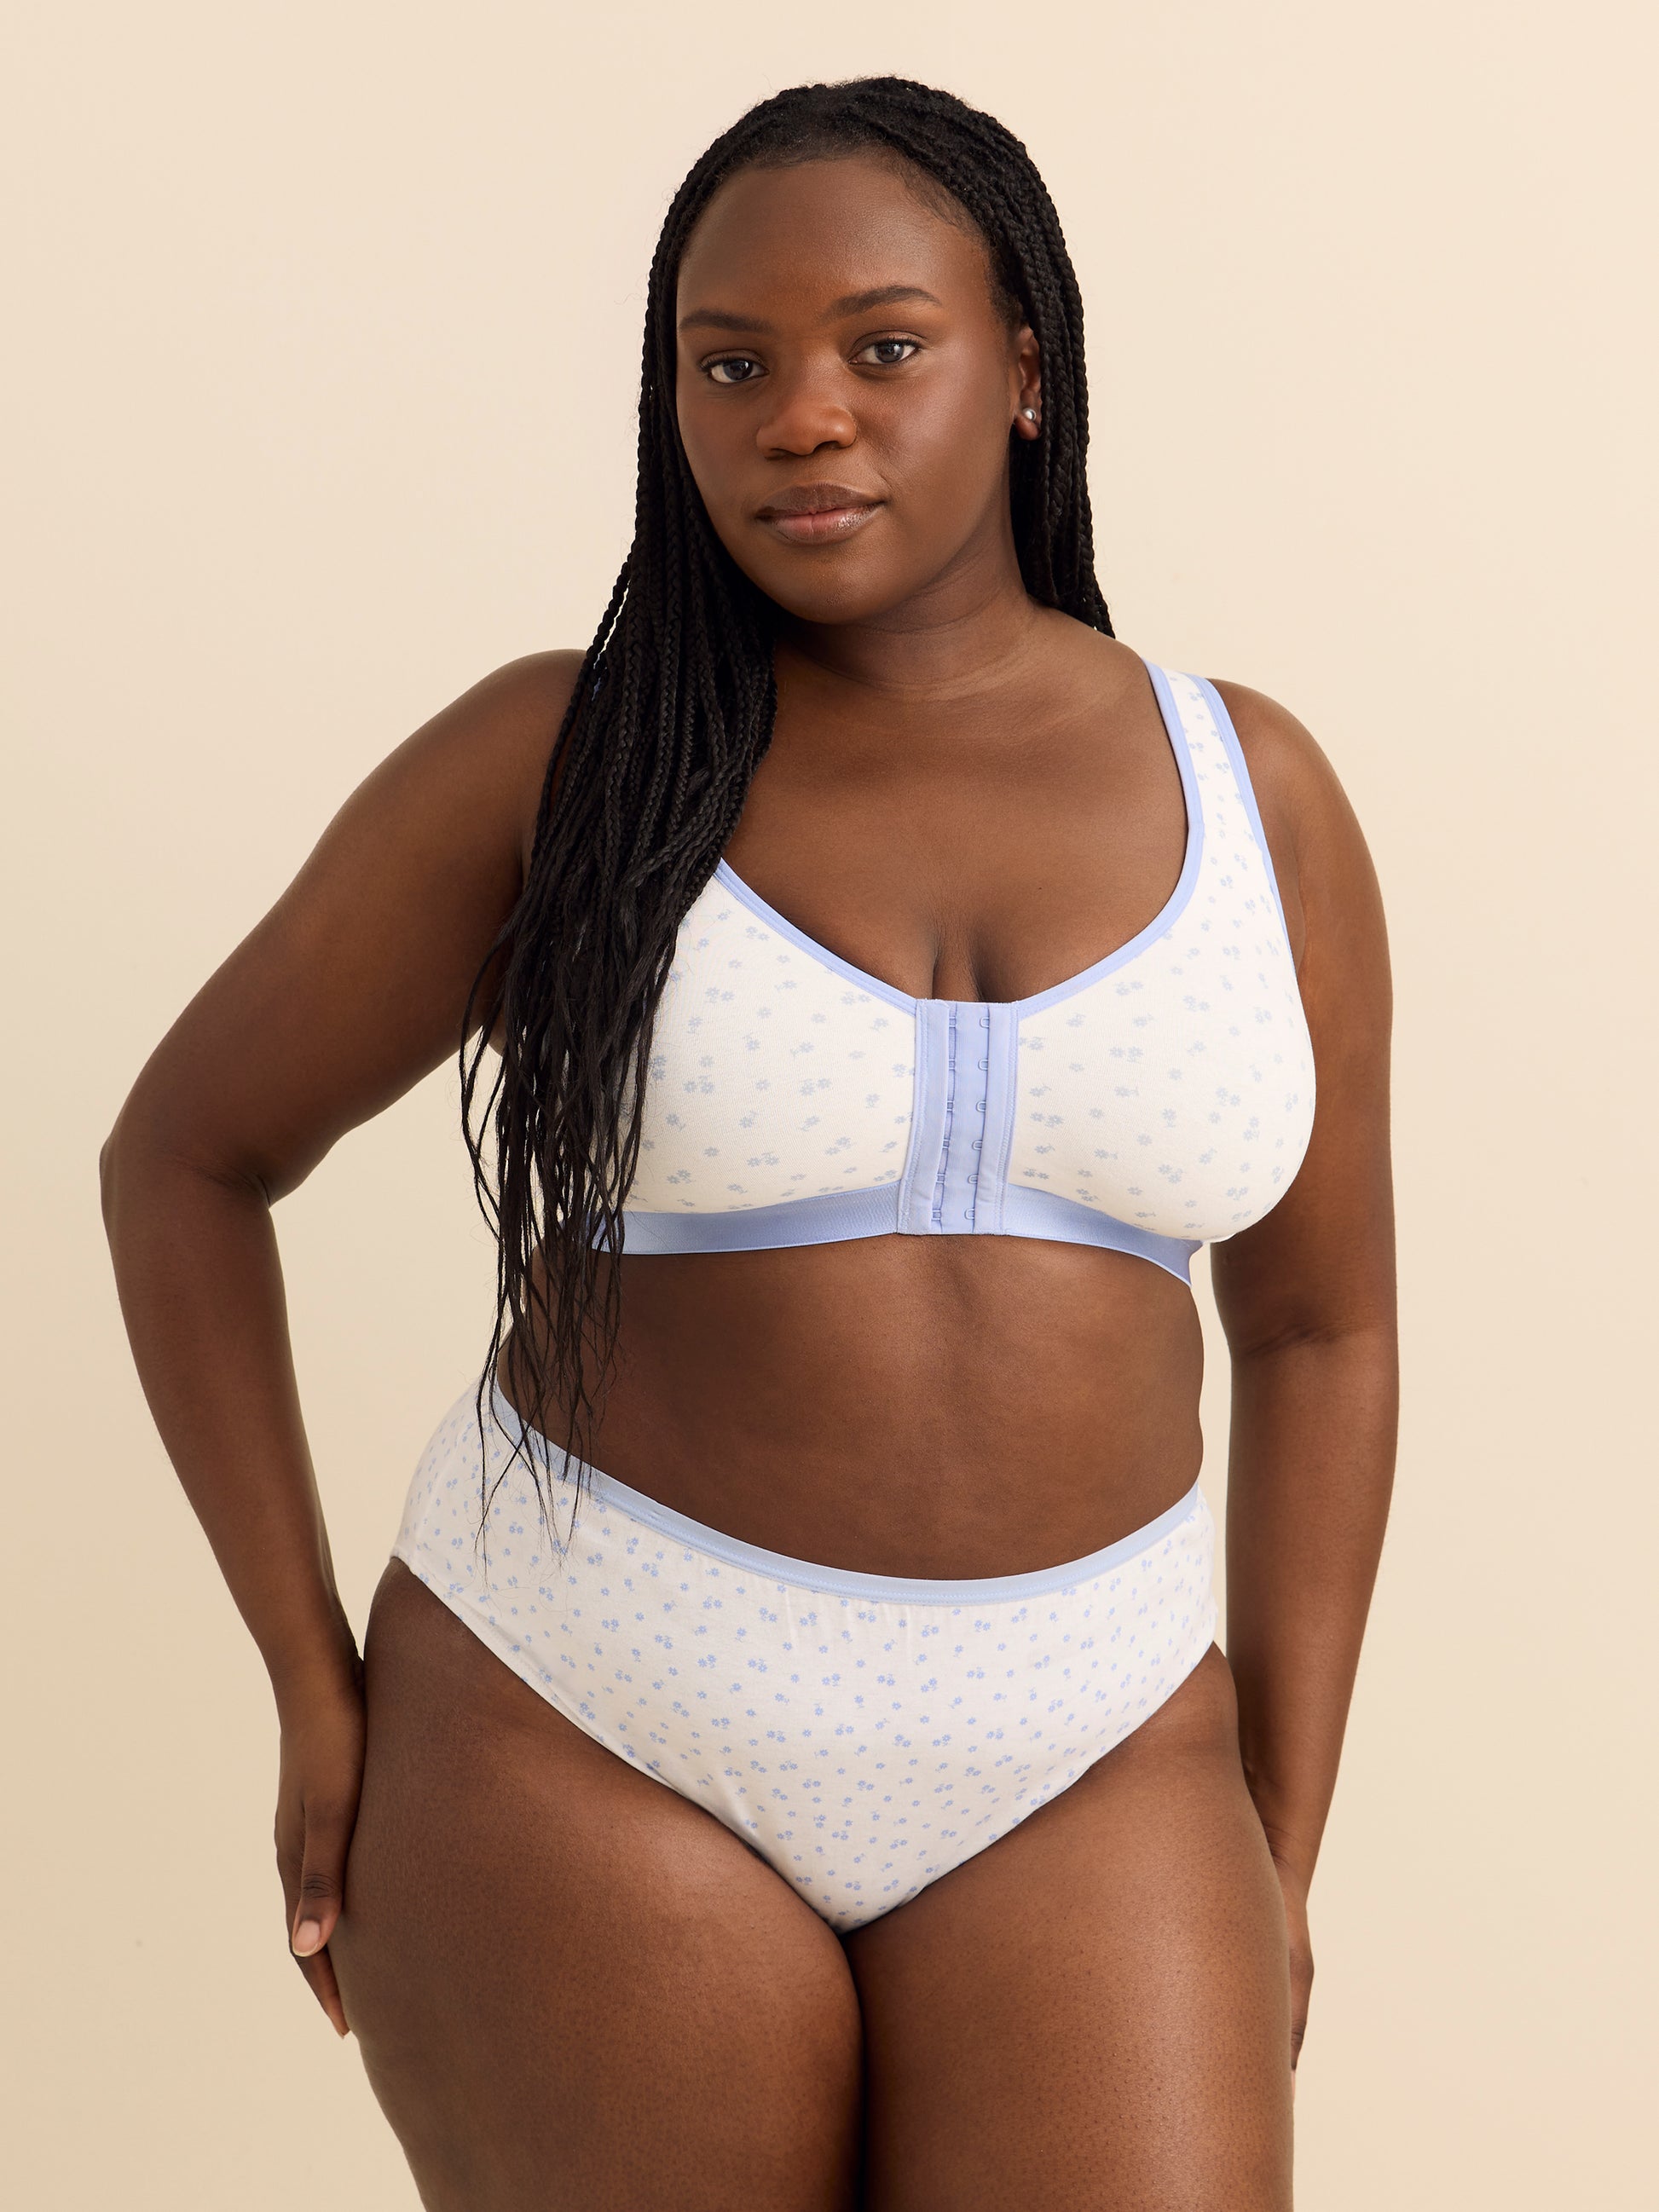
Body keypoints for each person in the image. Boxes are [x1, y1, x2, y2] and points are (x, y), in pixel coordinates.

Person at [101, 74, 1396, 2212]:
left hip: (1089, 1738)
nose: (803, 416)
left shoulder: (1253, 790)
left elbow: (1324, 1327)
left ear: (1025, 372)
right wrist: (308, 1680)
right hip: (586, 1711)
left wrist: (1283, 1828)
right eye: (731, 365)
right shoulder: (565, 757)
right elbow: (184, 1155)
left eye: (883, 347)